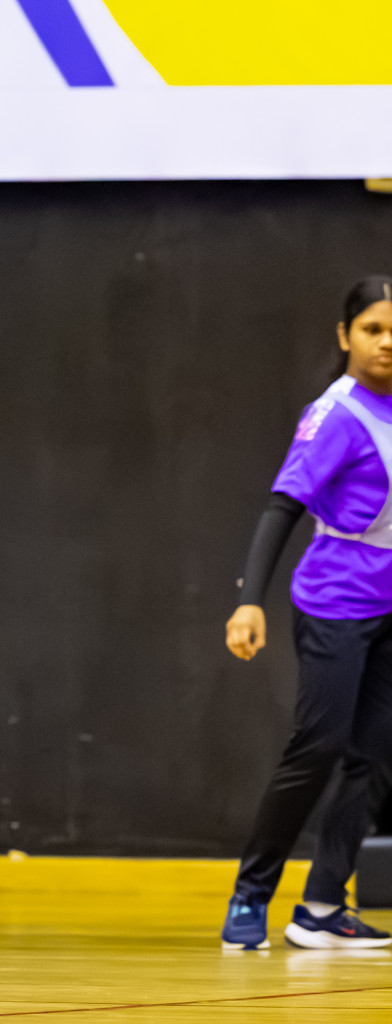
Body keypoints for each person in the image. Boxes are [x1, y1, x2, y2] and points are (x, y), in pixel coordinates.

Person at [221, 276, 392, 951]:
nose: (388, 342)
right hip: (338, 602)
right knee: (317, 749)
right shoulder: (336, 416)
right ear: (345, 335)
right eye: (374, 328)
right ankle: (249, 896)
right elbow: (281, 506)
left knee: (377, 754)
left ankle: (322, 906)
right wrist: (247, 602)